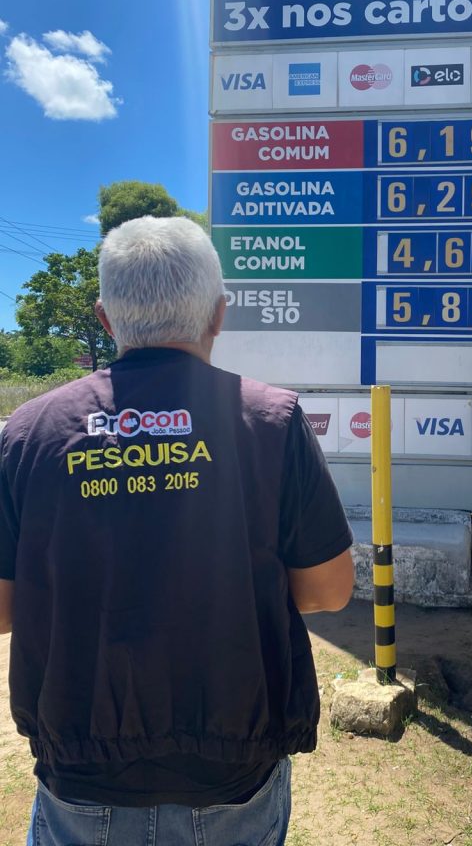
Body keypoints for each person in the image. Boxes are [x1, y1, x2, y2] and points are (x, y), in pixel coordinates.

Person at [0, 216, 354, 845]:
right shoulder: (272, 421)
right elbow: (328, 591)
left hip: (80, 776)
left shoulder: (29, 433)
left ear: (105, 319)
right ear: (218, 314)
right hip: (231, 774)